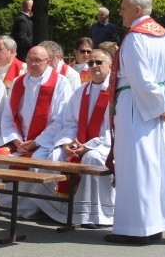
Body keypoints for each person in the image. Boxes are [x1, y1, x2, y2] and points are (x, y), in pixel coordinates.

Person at [104, 0, 165, 245]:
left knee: (135, 167)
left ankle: (135, 228)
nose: (120, 12)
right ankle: (154, 223)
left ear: (137, 10)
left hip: (134, 107)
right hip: (153, 109)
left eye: (123, 7)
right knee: (153, 166)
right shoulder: (163, 36)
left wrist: (160, 104)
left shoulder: (134, 38)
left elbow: (140, 80)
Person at [37, 48, 115, 227]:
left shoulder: (115, 92)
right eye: (90, 63)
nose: (93, 66)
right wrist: (67, 142)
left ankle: (98, 214)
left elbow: (115, 129)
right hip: (80, 143)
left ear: (110, 65)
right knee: (57, 155)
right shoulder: (81, 91)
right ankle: (58, 210)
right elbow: (69, 122)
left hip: (107, 146)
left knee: (91, 158)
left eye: (98, 62)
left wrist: (89, 146)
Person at [0, 45, 72, 217]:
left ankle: (32, 208)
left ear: (48, 62)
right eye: (30, 59)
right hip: (20, 141)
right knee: (0, 157)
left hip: (45, 142)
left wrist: (36, 142)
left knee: (37, 161)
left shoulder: (60, 83)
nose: (33, 64)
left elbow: (60, 119)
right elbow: (8, 116)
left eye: (38, 60)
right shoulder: (18, 82)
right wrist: (16, 139)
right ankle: (10, 205)